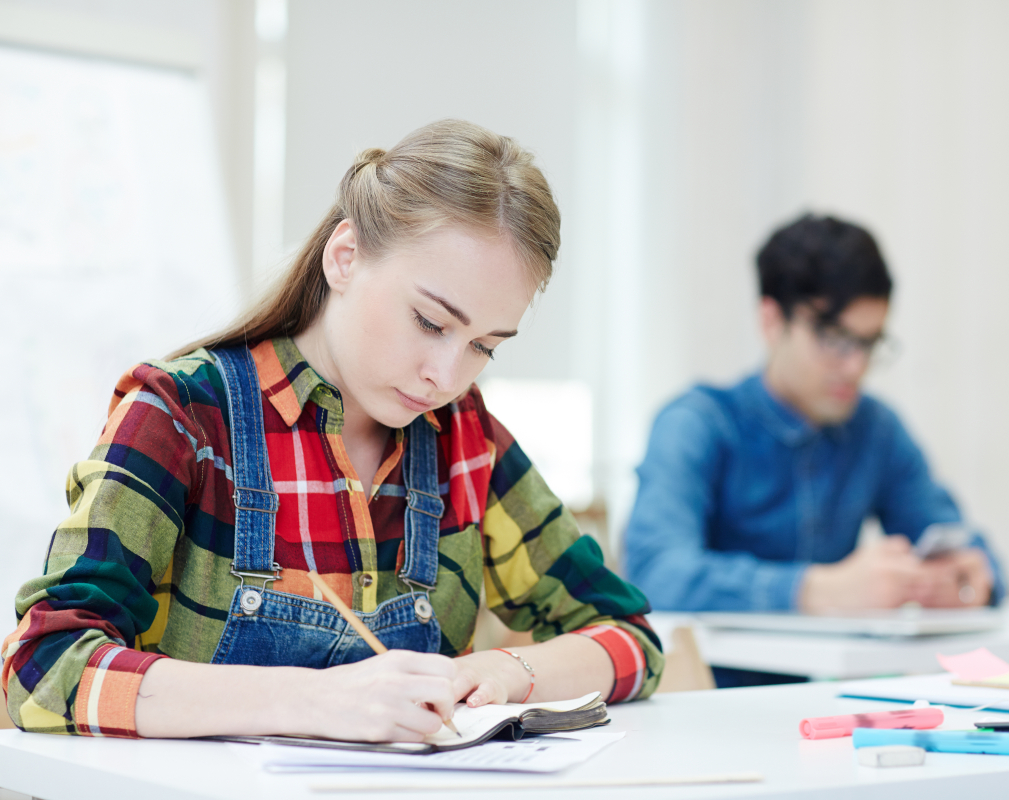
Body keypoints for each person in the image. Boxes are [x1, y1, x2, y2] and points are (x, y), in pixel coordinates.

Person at [3, 120, 661, 740]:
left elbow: (630, 638)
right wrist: (319, 702)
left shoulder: (466, 438)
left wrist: (504, 673)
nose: (444, 374)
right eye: (431, 322)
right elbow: (42, 667)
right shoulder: (182, 413)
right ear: (345, 257)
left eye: (484, 345)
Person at [623, 213, 1005, 688]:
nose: (855, 366)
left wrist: (970, 580)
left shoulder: (877, 429)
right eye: (834, 339)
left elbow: (965, 547)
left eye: (869, 343)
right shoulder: (696, 423)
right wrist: (818, 590)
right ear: (771, 320)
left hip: (835, 704)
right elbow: (654, 574)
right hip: (706, 705)